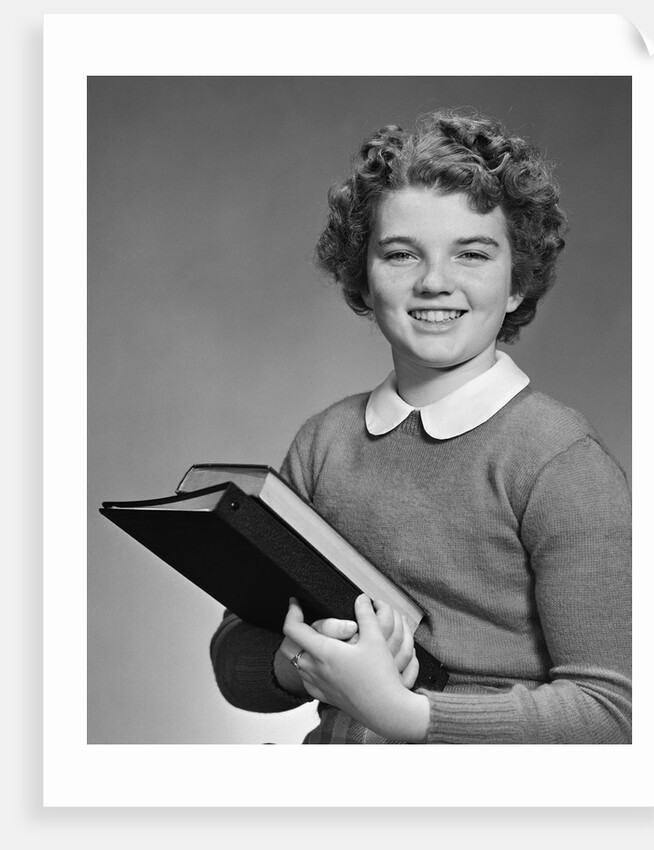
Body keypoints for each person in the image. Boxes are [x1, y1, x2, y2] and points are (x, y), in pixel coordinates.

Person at [209, 109, 632, 744]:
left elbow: (611, 716)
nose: (435, 281)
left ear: (517, 284)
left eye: (472, 253)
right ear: (363, 275)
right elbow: (234, 660)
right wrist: (307, 662)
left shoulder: (560, 461)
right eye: (403, 253)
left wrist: (404, 714)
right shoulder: (324, 444)